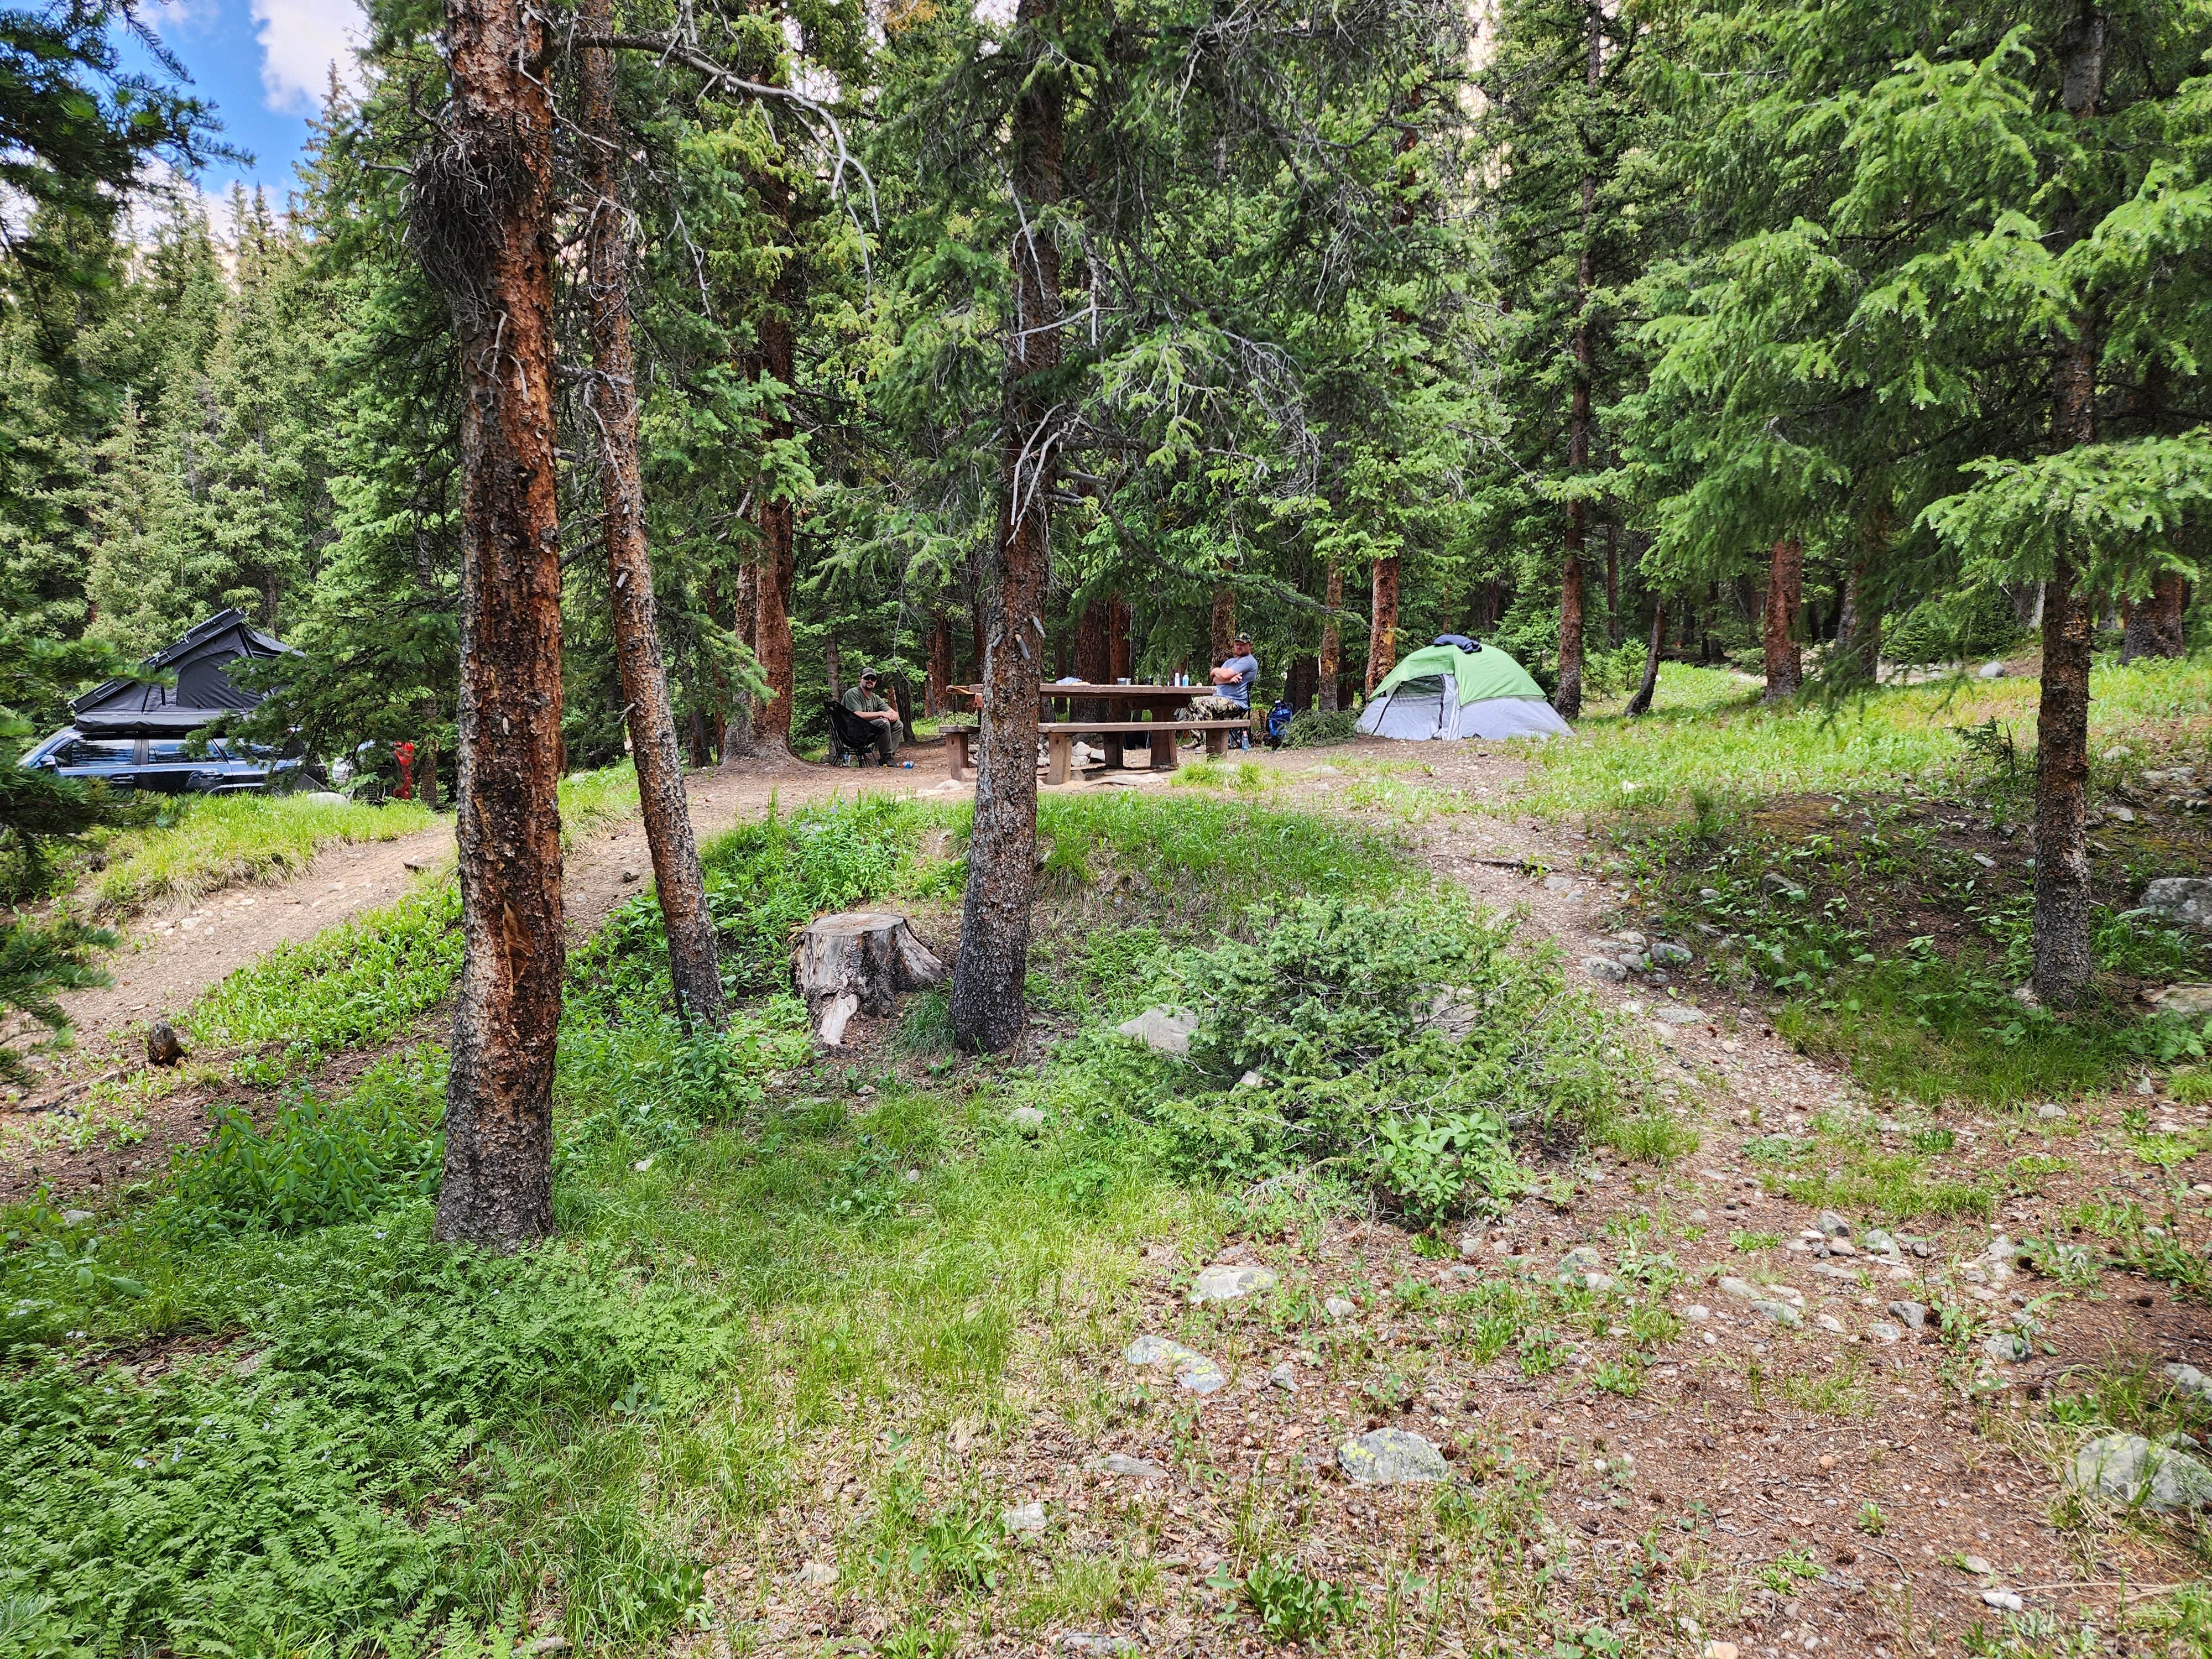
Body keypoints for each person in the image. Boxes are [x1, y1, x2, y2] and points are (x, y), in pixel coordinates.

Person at [1187, 636, 1259, 748]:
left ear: (1250, 646)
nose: (1239, 647)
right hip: (1219, 699)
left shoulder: (1248, 661)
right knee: (1190, 702)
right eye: (1237, 644)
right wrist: (1229, 680)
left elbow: (1223, 675)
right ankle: (1197, 740)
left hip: (1236, 702)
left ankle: (1210, 744)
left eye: (1242, 645)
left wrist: (1217, 671)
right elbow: (1215, 680)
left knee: (1202, 703)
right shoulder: (1231, 662)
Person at [841, 669, 901, 765]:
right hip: (853, 733)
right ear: (860, 679)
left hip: (868, 731)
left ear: (875, 682)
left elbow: (895, 714)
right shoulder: (853, 693)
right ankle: (886, 758)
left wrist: (890, 717)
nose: (870, 680)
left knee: (898, 725)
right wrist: (881, 714)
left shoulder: (875, 698)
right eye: (867, 678)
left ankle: (888, 757)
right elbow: (857, 715)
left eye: (873, 679)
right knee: (883, 723)